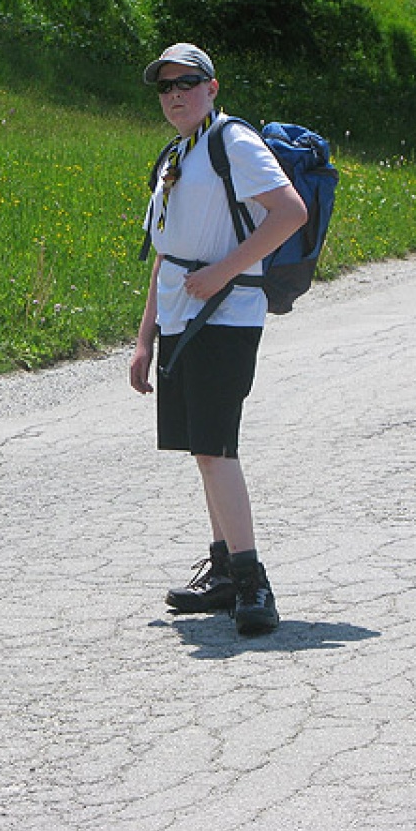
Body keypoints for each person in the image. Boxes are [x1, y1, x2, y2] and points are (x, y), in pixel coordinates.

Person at [128, 43, 307, 636]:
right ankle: (225, 569)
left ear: (213, 87)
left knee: (215, 447)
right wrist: (145, 336)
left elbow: (290, 212)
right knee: (201, 448)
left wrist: (223, 272)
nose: (175, 94)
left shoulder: (234, 142)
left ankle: (253, 582)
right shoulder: (177, 154)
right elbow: (165, 254)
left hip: (227, 316)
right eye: (165, 86)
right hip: (182, 317)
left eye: (187, 82)